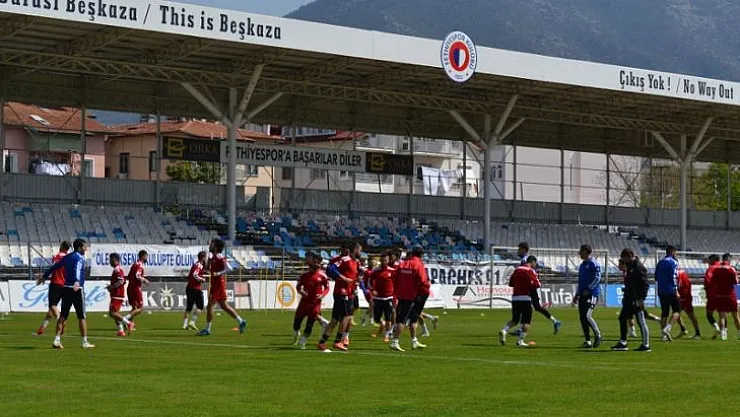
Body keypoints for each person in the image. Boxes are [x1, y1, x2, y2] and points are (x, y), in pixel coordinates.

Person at [42, 238, 95, 349]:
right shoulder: (79, 258)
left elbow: (54, 267)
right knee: (81, 316)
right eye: (84, 246)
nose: (86, 248)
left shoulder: (67, 257)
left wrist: (44, 276)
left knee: (63, 316)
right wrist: (77, 281)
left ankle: (57, 340)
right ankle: (84, 342)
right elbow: (77, 269)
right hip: (77, 289)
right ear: (79, 247)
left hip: (66, 288)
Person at [197, 239, 247, 336]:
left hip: (217, 285)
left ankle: (207, 329)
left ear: (215, 247)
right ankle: (241, 321)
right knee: (224, 306)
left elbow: (230, 268)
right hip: (217, 284)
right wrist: (208, 261)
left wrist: (218, 273)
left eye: (212, 244)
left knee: (210, 306)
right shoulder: (214, 257)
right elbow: (208, 269)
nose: (210, 246)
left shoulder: (219, 257)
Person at [317, 242, 361, 351]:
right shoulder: (345, 259)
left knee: (335, 319)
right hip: (342, 292)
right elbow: (331, 268)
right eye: (359, 250)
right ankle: (338, 341)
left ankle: (322, 342)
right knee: (346, 317)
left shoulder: (355, 262)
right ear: (355, 250)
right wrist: (343, 278)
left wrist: (356, 281)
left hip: (349, 292)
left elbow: (353, 276)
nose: (361, 252)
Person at [390, 244, 429, 352]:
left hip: (401, 294)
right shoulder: (418, 264)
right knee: (402, 320)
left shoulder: (403, 263)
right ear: (421, 255)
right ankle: (395, 342)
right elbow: (423, 281)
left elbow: (394, 277)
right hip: (412, 295)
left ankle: (414, 341)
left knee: (413, 318)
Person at [516, 242, 561, 335]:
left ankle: (521, 329)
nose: (518, 251)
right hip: (530, 287)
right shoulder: (526, 259)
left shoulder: (525, 260)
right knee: (536, 307)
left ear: (524, 250)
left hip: (529, 288)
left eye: (519, 249)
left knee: (526, 307)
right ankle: (555, 321)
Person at [611, 249, 650, 352]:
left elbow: (645, 284)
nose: (623, 260)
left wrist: (641, 298)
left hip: (636, 299)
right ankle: (623, 342)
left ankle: (646, 344)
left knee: (641, 321)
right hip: (629, 298)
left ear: (628, 256)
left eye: (624, 258)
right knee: (622, 317)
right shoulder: (630, 266)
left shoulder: (638, 267)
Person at [499, 255, 540, 348]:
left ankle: (504, 330)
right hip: (525, 298)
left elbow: (511, 284)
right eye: (535, 264)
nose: (535, 265)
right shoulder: (530, 271)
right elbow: (537, 284)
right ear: (533, 262)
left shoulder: (517, 270)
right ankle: (520, 341)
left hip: (515, 298)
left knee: (515, 319)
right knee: (526, 321)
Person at [293, 252, 330, 350]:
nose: (316, 264)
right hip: (304, 302)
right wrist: (301, 291)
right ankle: (297, 333)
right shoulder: (305, 275)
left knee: (310, 324)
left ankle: (303, 341)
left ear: (320, 263)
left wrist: (322, 295)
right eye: (314, 262)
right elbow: (298, 286)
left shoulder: (323, 276)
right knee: (296, 323)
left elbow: (327, 288)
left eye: (318, 263)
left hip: (315, 303)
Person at [35, 240, 71, 335]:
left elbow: (53, 268)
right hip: (66, 285)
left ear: (62, 246)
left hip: (56, 283)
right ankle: (42, 328)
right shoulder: (70, 258)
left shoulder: (57, 256)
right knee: (51, 309)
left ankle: (60, 320)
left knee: (52, 305)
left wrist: (43, 277)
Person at [574, 244, 602, 348]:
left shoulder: (593, 263)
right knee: (582, 317)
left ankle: (598, 335)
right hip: (582, 294)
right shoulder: (582, 265)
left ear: (586, 251)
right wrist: (577, 294)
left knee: (587, 316)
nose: (579, 253)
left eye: (581, 251)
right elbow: (580, 281)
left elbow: (598, 278)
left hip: (592, 294)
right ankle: (588, 341)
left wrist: (589, 289)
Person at [711, 253, 740, 341]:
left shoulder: (716, 269)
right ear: (729, 259)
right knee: (735, 315)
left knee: (722, 316)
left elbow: (713, 282)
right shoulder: (731, 269)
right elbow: (736, 282)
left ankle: (723, 334)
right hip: (730, 295)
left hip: (720, 295)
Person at [655, 246, 681, 341]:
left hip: (661, 290)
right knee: (677, 310)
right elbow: (674, 276)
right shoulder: (674, 262)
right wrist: (676, 289)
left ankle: (663, 336)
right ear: (673, 252)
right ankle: (668, 328)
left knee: (664, 312)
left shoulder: (660, 262)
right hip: (671, 290)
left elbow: (656, 276)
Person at [370, 251, 395, 342]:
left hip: (389, 297)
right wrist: (372, 290)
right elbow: (369, 281)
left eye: (386, 260)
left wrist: (395, 295)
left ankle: (387, 335)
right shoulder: (376, 271)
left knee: (388, 317)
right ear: (380, 260)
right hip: (378, 298)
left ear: (388, 260)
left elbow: (397, 283)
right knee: (376, 318)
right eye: (383, 260)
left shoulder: (392, 271)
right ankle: (382, 324)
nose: (384, 262)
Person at [124, 250, 150, 331]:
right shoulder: (139, 265)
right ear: (143, 256)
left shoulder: (134, 265)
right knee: (140, 308)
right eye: (146, 256)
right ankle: (125, 319)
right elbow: (137, 276)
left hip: (130, 288)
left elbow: (129, 276)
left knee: (134, 307)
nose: (147, 258)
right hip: (136, 289)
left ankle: (129, 324)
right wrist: (144, 280)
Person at [106, 253, 131, 337]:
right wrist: (111, 287)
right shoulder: (117, 269)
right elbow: (123, 281)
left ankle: (129, 323)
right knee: (115, 313)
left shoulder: (117, 269)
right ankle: (121, 330)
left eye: (110, 260)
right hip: (116, 294)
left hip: (117, 294)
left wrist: (112, 287)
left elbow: (121, 280)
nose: (109, 262)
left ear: (115, 260)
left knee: (112, 313)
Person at [183, 251, 207, 331]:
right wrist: (202, 279)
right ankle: (192, 322)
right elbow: (195, 274)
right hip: (196, 289)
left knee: (189, 307)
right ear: (203, 257)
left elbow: (192, 275)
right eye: (205, 257)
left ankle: (185, 325)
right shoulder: (199, 265)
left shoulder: (196, 264)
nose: (206, 258)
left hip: (189, 287)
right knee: (200, 307)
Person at [676, 267, 701, 339]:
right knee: (676, 314)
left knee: (689, 315)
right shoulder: (683, 272)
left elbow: (679, 285)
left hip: (683, 297)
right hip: (686, 296)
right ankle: (683, 329)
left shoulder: (678, 273)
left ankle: (697, 333)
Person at [704, 254, 722, 338]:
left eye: (709, 260)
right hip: (723, 294)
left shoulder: (711, 268)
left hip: (712, 295)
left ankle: (717, 328)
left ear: (713, 260)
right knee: (722, 314)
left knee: (709, 314)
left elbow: (707, 280)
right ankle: (724, 333)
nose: (708, 261)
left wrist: (707, 289)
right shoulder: (723, 267)